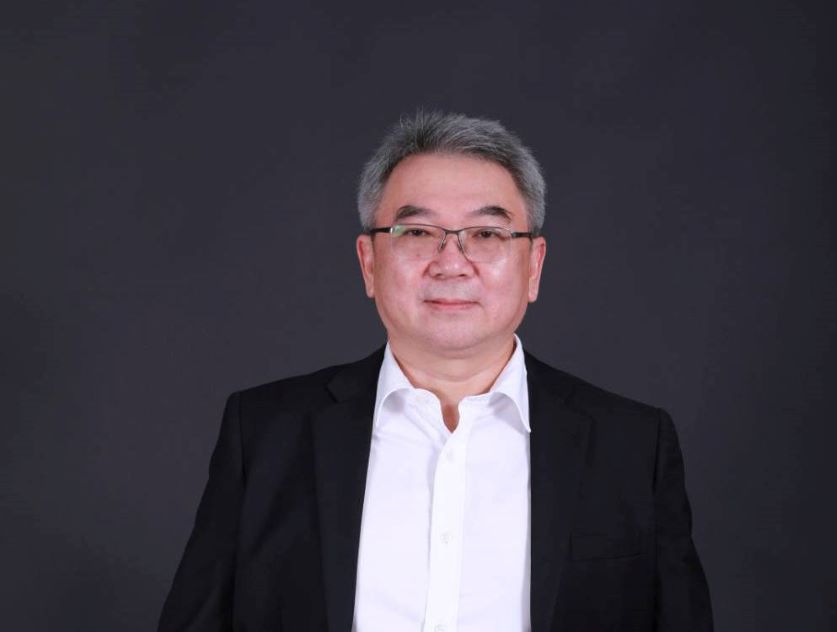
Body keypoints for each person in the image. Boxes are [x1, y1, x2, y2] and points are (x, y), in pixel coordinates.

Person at [158, 112, 713, 632]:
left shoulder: (632, 447)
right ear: (369, 263)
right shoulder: (265, 435)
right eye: (417, 233)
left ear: (534, 266)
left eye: (487, 234)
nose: (451, 263)